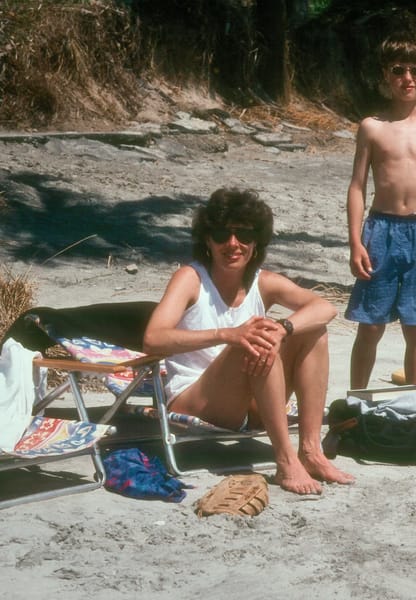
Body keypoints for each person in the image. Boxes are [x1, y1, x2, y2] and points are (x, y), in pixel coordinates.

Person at [143, 188, 355, 495]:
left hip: (250, 398)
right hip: (196, 398)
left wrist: (284, 327)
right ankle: (285, 459)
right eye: (221, 234)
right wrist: (227, 335)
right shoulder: (191, 279)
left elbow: (326, 308)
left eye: (243, 235)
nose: (233, 244)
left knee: (311, 331)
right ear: (207, 239)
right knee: (256, 340)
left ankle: (310, 451)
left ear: (256, 243)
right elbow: (153, 338)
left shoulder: (263, 282)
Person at [345, 30, 416, 390]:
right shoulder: (372, 127)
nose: (407, 78)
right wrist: (355, 242)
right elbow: (357, 186)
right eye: (398, 70)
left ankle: (414, 402)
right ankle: (357, 401)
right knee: (371, 324)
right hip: (381, 230)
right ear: (386, 75)